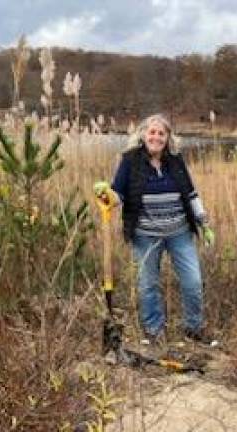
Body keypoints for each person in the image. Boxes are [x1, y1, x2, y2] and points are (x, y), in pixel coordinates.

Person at [94, 114, 216, 350]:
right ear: (143, 134)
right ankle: (153, 331)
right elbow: (118, 194)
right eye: (152, 132)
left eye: (161, 133)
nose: (156, 137)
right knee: (148, 284)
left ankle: (194, 328)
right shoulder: (130, 160)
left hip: (179, 233)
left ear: (168, 137)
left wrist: (203, 222)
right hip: (145, 236)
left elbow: (191, 193)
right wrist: (106, 194)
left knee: (193, 281)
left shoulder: (176, 160)